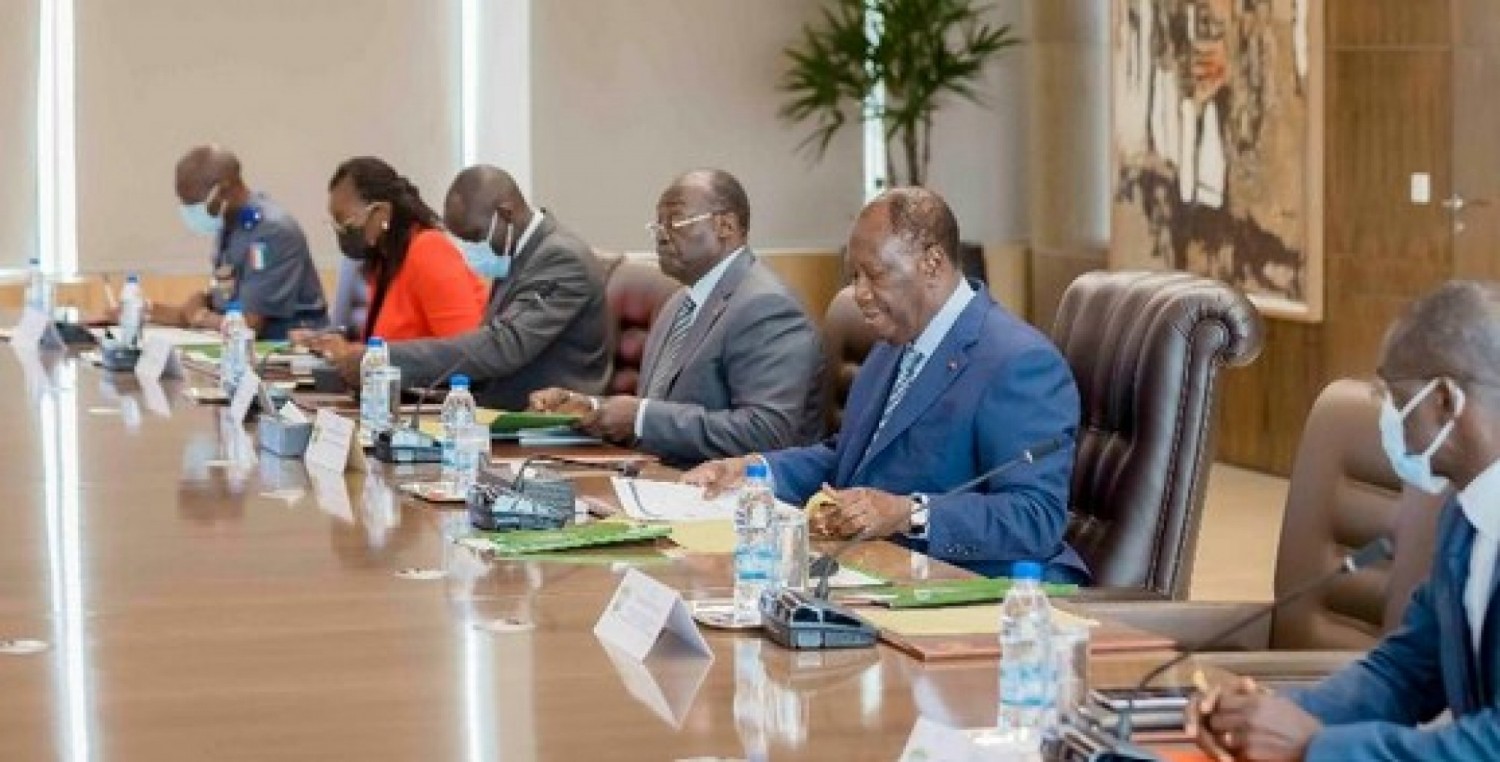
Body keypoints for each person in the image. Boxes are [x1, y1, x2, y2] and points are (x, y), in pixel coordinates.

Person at [682, 187, 1085, 582]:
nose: (859, 294)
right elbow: (849, 459)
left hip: (975, 588)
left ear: (932, 263)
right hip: (877, 570)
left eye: (874, 275)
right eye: (854, 276)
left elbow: (1036, 517)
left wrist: (910, 513)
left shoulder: (1018, 361)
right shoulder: (894, 346)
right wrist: (755, 472)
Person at [1187, 280, 1500, 762]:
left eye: (1395, 399)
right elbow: (1404, 671)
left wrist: (1314, 746)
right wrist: (1272, 716)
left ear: (1444, 401)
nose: (1389, 418)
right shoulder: (1466, 515)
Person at [528, 169, 824, 468]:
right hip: (658, 475)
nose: (661, 236)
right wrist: (590, 408)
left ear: (726, 226)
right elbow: (654, 411)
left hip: (729, 487)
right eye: (658, 225)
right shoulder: (680, 302)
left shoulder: (767, 306)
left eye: (676, 222)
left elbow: (766, 433)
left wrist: (641, 419)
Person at [331, 164, 611, 409]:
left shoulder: (561, 258)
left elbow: (503, 346)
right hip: (503, 412)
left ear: (505, 214)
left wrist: (384, 358)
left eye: (475, 236)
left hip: (549, 421)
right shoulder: (517, 252)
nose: (470, 250)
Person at [304, 157, 487, 350]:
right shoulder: (385, 262)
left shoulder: (429, 250)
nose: (341, 231)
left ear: (382, 213)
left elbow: (466, 351)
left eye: (345, 222)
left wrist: (363, 355)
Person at [153, 144, 327, 340]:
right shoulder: (230, 224)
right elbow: (225, 299)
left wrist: (200, 316)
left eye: (193, 203)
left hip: (288, 348)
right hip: (246, 344)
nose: (189, 211)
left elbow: (248, 325)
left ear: (223, 189)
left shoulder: (271, 232)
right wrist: (147, 310)